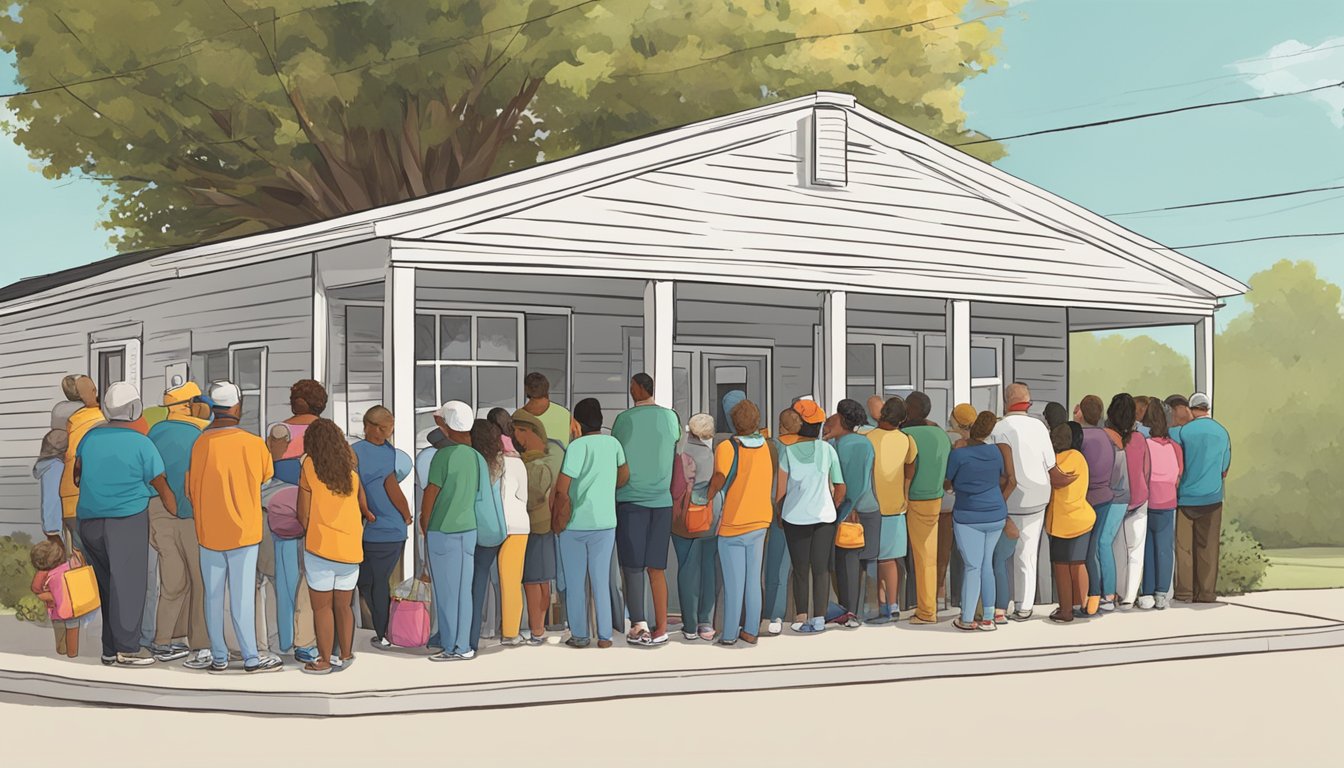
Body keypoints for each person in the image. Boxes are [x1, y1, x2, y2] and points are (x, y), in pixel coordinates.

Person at [73, 382, 173, 667]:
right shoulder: (142, 443)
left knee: (106, 585)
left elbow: (76, 476)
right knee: (128, 585)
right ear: (134, 409)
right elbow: (160, 483)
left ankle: (109, 647)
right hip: (126, 519)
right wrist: (174, 508)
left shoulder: (90, 438)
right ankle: (128, 649)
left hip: (90, 520)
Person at [186, 381, 282, 673]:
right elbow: (266, 477)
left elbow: (190, 489)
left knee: (212, 596)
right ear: (237, 407)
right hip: (244, 530)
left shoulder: (200, 443)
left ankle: (219, 656)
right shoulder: (253, 444)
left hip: (208, 531)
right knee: (242, 597)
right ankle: (251, 657)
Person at [296, 418, 373, 674]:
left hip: (320, 547)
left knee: (321, 608)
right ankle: (346, 653)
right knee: (344, 605)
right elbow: (363, 507)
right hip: (350, 549)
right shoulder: (351, 473)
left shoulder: (308, 465)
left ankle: (325, 660)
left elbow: (302, 514)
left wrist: (311, 528)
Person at [610, 373, 681, 646]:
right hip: (661, 501)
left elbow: (618, 455)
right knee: (657, 567)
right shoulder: (670, 417)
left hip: (631, 498)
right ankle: (661, 626)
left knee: (633, 566)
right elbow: (675, 444)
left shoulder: (624, 420)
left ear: (638, 388)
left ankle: (638, 624)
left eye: (631, 386)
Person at [145, 379, 211, 663]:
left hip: (156, 509)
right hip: (192, 512)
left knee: (172, 578)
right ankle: (199, 643)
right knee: (200, 579)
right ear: (188, 405)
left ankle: (163, 639)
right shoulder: (201, 433)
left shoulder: (153, 432)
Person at [554, 398, 629, 649]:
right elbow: (624, 475)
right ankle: (605, 636)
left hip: (575, 524)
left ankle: (580, 635)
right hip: (606, 522)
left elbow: (563, 488)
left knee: (576, 583)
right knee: (600, 579)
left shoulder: (576, 447)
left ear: (577, 422)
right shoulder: (613, 443)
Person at [990, 385, 1061, 623]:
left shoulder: (999, 428)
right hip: (1037, 497)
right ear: (1027, 403)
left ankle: (1003, 602)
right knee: (1028, 554)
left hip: (1007, 499)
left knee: (1002, 556)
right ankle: (1024, 605)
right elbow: (1050, 463)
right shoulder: (1039, 427)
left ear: (1006, 402)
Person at [422, 401, 486, 661]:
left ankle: (451, 647)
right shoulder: (475, 456)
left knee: (447, 593)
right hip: (468, 529)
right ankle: (464, 645)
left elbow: (431, 494)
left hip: (442, 529)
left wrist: (424, 525)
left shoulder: (443, 456)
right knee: (463, 591)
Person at [777, 399, 846, 634]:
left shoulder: (787, 451)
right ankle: (819, 618)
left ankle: (800, 617)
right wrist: (833, 505)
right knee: (821, 569)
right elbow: (840, 486)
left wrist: (779, 514)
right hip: (824, 516)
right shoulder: (828, 450)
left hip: (794, 517)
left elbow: (781, 491)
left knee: (800, 569)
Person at [709, 399, 773, 645]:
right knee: (753, 580)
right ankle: (751, 630)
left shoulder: (726, 448)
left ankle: (729, 635)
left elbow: (719, 479)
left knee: (733, 582)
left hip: (734, 522)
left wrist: (707, 495)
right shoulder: (767, 447)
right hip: (760, 520)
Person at [945, 411, 1016, 631]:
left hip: (968, 515)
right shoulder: (995, 452)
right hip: (995, 514)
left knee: (972, 566)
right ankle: (988, 617)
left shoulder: (959, 454)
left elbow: (947, 482)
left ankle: (967, 618)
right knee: (986, 565)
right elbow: (1003, 477)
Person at [351, 406, 413, 649]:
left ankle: (383, 633)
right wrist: (406, 515)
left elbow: (358, 488)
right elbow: (393, 491)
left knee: (371, 582)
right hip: (389, 528)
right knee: (375, 581)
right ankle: (383, 630)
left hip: (374, 528)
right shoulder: (390, 453)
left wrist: (366, 511)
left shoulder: (354, 452)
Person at [1171, 392, 1231, 604]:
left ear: (1191, 408)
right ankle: (1206, 593)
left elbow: (1176, 460)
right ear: (1207, 407)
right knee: (1208, 547)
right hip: (1213, 497)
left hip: (1186, 497)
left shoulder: (1183, 432)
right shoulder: (1222, 432)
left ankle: (1185, 592)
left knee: (1184, 547)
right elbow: (1224, 468)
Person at [511, 408, 563, 643]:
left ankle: (536, 630)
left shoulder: (536, 463)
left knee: (533, 580)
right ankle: (538, 628)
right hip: (547, 525)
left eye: (517, 432)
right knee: (542, 580)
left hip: (533, 525)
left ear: (527, 431)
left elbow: (531, 495)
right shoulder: (556, 452)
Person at [827, 399, 880, 627]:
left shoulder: (847, 445)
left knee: (847, 564)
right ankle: (857, 610)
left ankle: (850, 612)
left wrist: (848, 509)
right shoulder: (861, 443)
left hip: (852, 510)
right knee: (858, 565)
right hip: (867, 508)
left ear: (842, 419)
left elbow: (854, 483)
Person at [901, 392, 952, 624]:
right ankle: (930, 604)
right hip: (936, 499)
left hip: (913, 498)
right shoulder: (941, 434)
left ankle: (926, 610)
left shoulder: (905, 435)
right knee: (930, 555)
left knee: (922, 557)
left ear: (910, 410)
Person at [866, 397, 917, 624]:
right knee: (890, 560)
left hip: (871, 504)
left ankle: (880, 604)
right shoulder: (907, 440)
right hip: (896, 506)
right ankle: (893, 604)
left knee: (875, 560)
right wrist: (905, 493)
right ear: (903, 419)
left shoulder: (867, 439)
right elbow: (909, 469)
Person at [673, 412, 719, 642]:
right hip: (707, 515)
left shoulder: (679, 451)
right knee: (708, 568)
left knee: (686, 568)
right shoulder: (710, 455)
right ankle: (706, 622)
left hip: (681, 516)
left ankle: (689, 625)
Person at [467, 420, 510, 653]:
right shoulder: (499, 461)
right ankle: (472, 638)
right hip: (497, 528)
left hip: (476, 528)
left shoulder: (471, 461)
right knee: (480, 585)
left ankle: (466, 638)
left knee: (467, 587)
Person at [1046, 423, 1095, 623]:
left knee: (1061, 567)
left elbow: (1058, 478)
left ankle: (1065, 611)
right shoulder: (1079, 457)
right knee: (1078, 563)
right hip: (1082, 518)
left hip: (1061, 522)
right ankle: (1081, 605)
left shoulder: (1053, 462)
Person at [1107, 394, 1151, 608]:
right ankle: (1129, 597)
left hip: (1115, 499)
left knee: (1116, 549)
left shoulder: (1108, 439)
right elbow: (1147, 470)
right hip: (1139, 499)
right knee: (1136, 550)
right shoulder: (1141, 439)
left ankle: (1117, 591)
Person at [1139, 403, 1183, 610]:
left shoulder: (1145, 444)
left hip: (1148, 501)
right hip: (1168, 502)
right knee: (1165, 549)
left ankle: (1146, 592)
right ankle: (1162, 593)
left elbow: (1143, 472)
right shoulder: (1175, 447)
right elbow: (1178, 475)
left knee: (1147, 548)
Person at [763, 407, 803, 635]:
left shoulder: (774, 446)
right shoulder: (808, 447)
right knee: (792, 566)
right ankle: (789, 612)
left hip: (775, 510)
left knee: (774, 566)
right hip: (801, 512)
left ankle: (772, 613)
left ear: (781, 425)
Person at [1075, 395, 1116, 615]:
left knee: (1085, 552)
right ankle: (1096, 597)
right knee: (1094, 549)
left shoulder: (1082, 438)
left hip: (1087, 498)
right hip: (1105, 496)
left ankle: (1091, 599)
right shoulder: (1106, 436)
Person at [940, 403, 977, 611]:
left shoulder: (946, 438)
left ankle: (947, 597)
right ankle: (963, 597)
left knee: (946, 553)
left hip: (945, 503)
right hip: (968, 503)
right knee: (967, 555)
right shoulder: (977, 442)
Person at [496, 425, 530, 646]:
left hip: (495, 525)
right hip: (518, 526)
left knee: (496, 581)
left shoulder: (491, 463)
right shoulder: (518, 464)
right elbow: (523, 495)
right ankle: (511, 631)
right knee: (512, 581)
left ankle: (496, 627)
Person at [30, 538, 80, 658]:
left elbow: (36, 588)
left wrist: (49, 597)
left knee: (60, 636)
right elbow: (79, 563)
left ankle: (62, 652)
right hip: (73, 608)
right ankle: (72, 654)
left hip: (57, 612)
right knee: (72, 632)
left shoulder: (45, 574)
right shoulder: (69, 565)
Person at [522, 372, 577, 448]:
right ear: (547, 387)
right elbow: (576, 438)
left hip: (530, 459)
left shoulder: (519, 417)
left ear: (526, 389)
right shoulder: (565, 413)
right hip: (561, 458)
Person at [35, 429, 68, 549]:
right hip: (59, 527)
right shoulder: (56, 466)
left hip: (54, 526)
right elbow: (52, 498)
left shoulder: (47, 465)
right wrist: (52, 530)